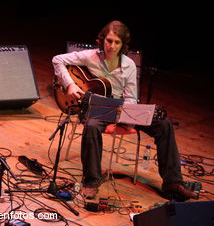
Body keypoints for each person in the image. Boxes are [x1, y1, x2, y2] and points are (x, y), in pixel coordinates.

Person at [52, 20, 197, 200]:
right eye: (109, 41)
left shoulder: (128, 65)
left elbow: (131, 98)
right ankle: (90, 180)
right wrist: (70, 85)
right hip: (95, 108)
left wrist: (130, 118)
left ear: (123, 45)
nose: (112, 46)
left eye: (117, 42)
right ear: (102, 40)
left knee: (164, 125)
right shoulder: (90, 56)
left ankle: (173, 182)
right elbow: (57, 60)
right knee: (91, 125)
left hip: (121, 108)